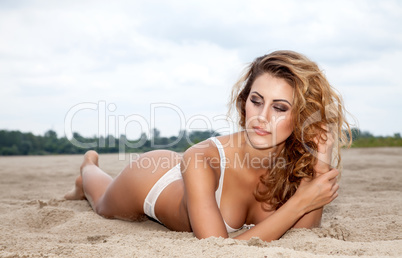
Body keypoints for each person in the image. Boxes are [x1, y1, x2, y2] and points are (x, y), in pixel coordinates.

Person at [65, 50, 351, 242]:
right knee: (101, 202)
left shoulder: (297, 161)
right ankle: (87, 171)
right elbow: (217, 249)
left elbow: (302, 238)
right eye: (256, 100)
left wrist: (319, 166)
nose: (262, 117)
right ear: (244, 101)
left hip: (197, 179)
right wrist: (302, 201)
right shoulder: (201, 158)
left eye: (279, 107)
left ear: (300, 116)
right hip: (152, 181)